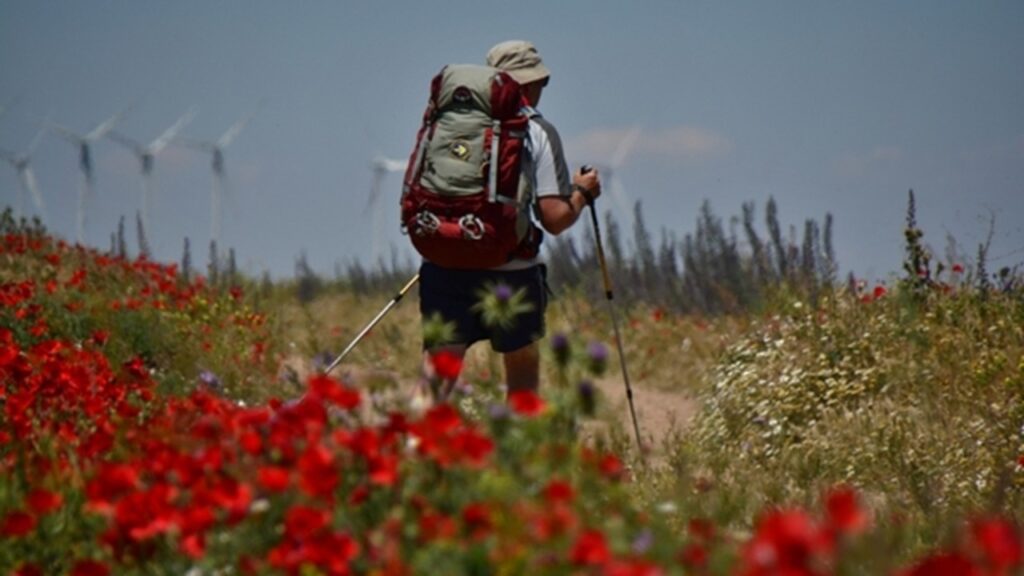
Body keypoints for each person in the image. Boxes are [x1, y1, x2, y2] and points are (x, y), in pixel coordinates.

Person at [419, 39, 602, 400]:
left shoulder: (446, 124)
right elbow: (554, 219)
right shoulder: (537, 130)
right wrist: (582, 193)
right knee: (521, 379)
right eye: (541, 83)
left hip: (443, 264)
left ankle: (410, 452)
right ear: (530, 84)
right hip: (512, 273)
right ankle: (515, 454)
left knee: (435, 384)